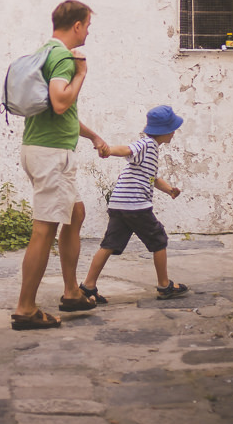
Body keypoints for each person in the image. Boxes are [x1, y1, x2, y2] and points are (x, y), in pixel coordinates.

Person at [11, 0, 108, 330]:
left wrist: (93, 136)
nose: (89, 31)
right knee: (44, 229)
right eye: (88, 25)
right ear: (77, 25)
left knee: (75, 213)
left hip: (45, 149)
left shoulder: (47, 52)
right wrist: (82, 73)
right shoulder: (66, 58)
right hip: (51, 155)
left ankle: (71, 292)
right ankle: (25, 309)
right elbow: (60, 100)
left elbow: (61, 112)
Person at [79, 105, 189, 304]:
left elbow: (153, 178)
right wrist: (109, 150)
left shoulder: (152, 150)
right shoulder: (146, 144)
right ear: (163, 131)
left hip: (119, 204)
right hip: (136, 205)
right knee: (159, 240)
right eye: (172, 128)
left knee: (109, 245)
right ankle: (165, 286)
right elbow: (128, 149)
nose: (174, 132)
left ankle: (87, 286)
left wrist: (170, 189)